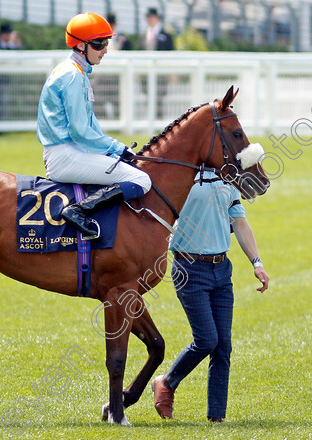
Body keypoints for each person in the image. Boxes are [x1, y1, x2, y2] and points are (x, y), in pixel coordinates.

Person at [151, 170, 270, 423]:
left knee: (223, 347)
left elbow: (239, 222)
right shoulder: (183, 175)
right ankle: (166, 382)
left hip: (221, 269)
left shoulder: (228, 178)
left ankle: (217, 418)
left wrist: (257, 263)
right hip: (189, 269)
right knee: (206, 340)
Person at [37, 12, 151, 239]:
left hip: (68, 151)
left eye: (106, 43)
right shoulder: (73, 76)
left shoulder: (75, 71)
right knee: (141, 179)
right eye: (100, 44)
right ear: (80, 46)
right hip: (66, 154)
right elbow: (80, 132)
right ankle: (78, 210)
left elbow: (91, 126)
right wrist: (118, 148)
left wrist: (114, 150)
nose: (106, 49)